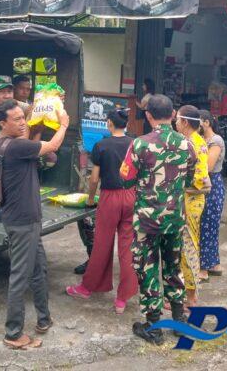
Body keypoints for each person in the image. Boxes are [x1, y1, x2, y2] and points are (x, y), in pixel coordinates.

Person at [0, 99, 70, 350]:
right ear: (3, 123)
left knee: (39, 268)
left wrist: (35, 121)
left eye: (23, 118)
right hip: (23, 219)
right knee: (20, 276)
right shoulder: (17, 147)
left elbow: (30, 142)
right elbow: (53, 146)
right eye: (17, 119)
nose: (23, 122)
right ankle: (13, 334)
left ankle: (43, 318)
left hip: (19, 217)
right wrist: (63, 125)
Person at [121, 94, 197, 345]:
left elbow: (125, 179)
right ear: (173, 115)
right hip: (175, 219)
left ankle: (154, 327)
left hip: (147, 221)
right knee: (173, 267)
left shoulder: (139, 144)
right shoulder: (187, 145)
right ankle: (179, 321)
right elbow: (189, 180)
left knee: (148, 268)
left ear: (148, 115)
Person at [65, 109, 138, 313]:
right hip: (131, 196)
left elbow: (94, 179)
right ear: (126, 124)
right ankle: (122, 299)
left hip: (109, 197)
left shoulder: (101, 145)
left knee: (102, 244)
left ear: (109, 123)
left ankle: (88, 287)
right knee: (128, 248)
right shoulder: (135, 144)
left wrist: (90, 199)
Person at [173, 105, 211, 308]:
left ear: (185, 122)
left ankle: (190, 298)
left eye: (178, 119)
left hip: (189, 202)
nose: (175, 123)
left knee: (187, 249)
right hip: (194, 201)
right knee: (189, 247)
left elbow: (198, 181)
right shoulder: (198, 140)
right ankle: (187, 293)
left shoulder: (190, 144)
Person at [197, 110, 226, 281]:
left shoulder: (216, 141)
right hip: (205, 185)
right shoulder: (202, 139)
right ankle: (214, 264)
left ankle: (204, 269)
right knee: (206, 226)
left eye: (198, 122)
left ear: (206, 123)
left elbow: (208, 167)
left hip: (212, 186)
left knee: (207, 227)